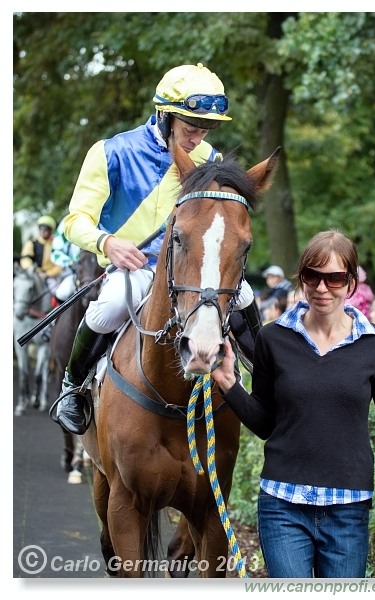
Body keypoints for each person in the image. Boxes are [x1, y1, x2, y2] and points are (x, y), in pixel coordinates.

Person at [54, 63, 261, 436]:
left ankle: (265, 376)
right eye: (190, 128)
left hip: (191, 269)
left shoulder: (210, 160)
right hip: (133, 267)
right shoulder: (110, 152)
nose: (198, 138)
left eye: (206, 129)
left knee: (243, 295)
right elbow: (74, 220)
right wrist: (108, 243)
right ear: (164, 115)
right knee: (111, 306)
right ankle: (72, 386)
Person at [211, 229, 375, 578]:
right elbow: (265, 423)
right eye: (313, 276)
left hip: (348, 510)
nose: (322, 288)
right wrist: (229, 385)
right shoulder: (272, 338)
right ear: (301, 278)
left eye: (335, 278)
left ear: (351, 283)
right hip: (282, 507)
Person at [20, 215, 63, 294]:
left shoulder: (56, 245)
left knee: (57, 293)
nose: (42, 231)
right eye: (40, 228)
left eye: (46, 229)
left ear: (51, 231)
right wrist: (34, 271)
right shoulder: (31, 243)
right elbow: (25, 259)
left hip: (50, 277)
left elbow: (60, 265)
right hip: (33, 274)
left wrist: (47, 274)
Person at [51, 215, 81, 303]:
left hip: (105, 272)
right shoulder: (68, 221)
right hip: (76, 273)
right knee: (62, 293)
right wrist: (69, 262)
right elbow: (56, 252)